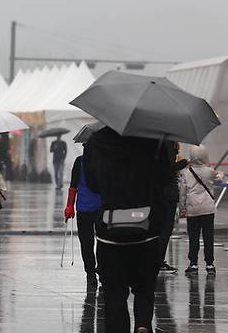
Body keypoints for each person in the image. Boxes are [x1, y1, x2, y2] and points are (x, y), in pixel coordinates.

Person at [84, 127, 171, 333]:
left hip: (110, 231)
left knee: (114, 296)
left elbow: (93, 184)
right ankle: (142, 324)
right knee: (144, 290)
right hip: (146, 228)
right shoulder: (153, 139)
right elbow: (164, 179)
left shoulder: (97, 141)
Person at [179, 145, 225, 275]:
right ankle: (210, 264)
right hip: (208, 209)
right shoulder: (209, 171)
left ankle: (193, 264)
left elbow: (183, 191)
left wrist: (182, 206)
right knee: (208, 237)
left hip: (193, 209)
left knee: (193, 237)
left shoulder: (187, 172)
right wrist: (220, 173)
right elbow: (219, 179)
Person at [64, 152, 102, 284]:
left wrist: (70, 206)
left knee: (86, 242)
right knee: (104, 241)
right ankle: (102, 269)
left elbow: (73, 186)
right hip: (103, 207)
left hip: (83, 208)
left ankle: (90, 273)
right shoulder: (106, 159)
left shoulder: (79, 161)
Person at [159, 141, 188, 274]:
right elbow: (168, 168)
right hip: (167, 193)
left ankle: (156, 260)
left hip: (159, 193)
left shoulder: (157, 142)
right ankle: (158, 261)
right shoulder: (168, 144)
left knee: (160, 228)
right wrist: (183, 163)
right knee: (165, 228)